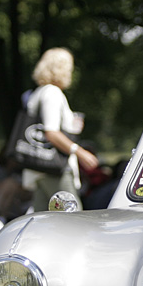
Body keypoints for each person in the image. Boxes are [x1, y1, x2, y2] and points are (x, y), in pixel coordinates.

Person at [22, 47, 98, 211]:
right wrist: (80, 152)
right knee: (73, 216)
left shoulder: (39, 92)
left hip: (40, 168)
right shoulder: (52, 93)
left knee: (43, 218)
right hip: (54, 168)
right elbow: (51, 132)